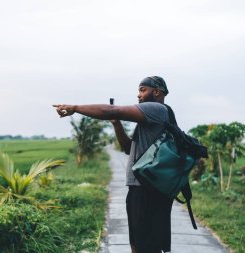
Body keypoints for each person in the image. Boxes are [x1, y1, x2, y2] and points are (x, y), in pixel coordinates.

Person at [54, 76, 175, 253]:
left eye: (142, 90)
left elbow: (112, 110)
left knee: (146, 246)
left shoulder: (155, 109)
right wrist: (117, 124)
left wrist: (75, 108)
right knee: (140, 244)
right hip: (141, 189)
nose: (138, 95)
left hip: (147, 190)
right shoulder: (150, 118)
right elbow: (128, 149)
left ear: (156, 92)